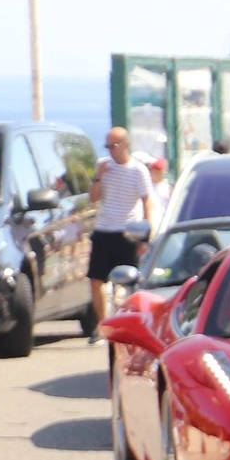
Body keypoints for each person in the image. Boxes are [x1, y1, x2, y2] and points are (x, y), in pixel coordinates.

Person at [88, 128, 153, 323]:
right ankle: (102, 325)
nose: (110, 150)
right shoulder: (103, 166)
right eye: (107, 146)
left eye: (114, 146)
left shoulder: (138, 170)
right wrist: (98, 176)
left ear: (126, 145)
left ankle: (127, 321)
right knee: (96, 279)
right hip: (104, 229)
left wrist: (145, 234)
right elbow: (93, 198)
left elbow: (147, 201)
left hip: (127, 232)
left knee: (128, 281)